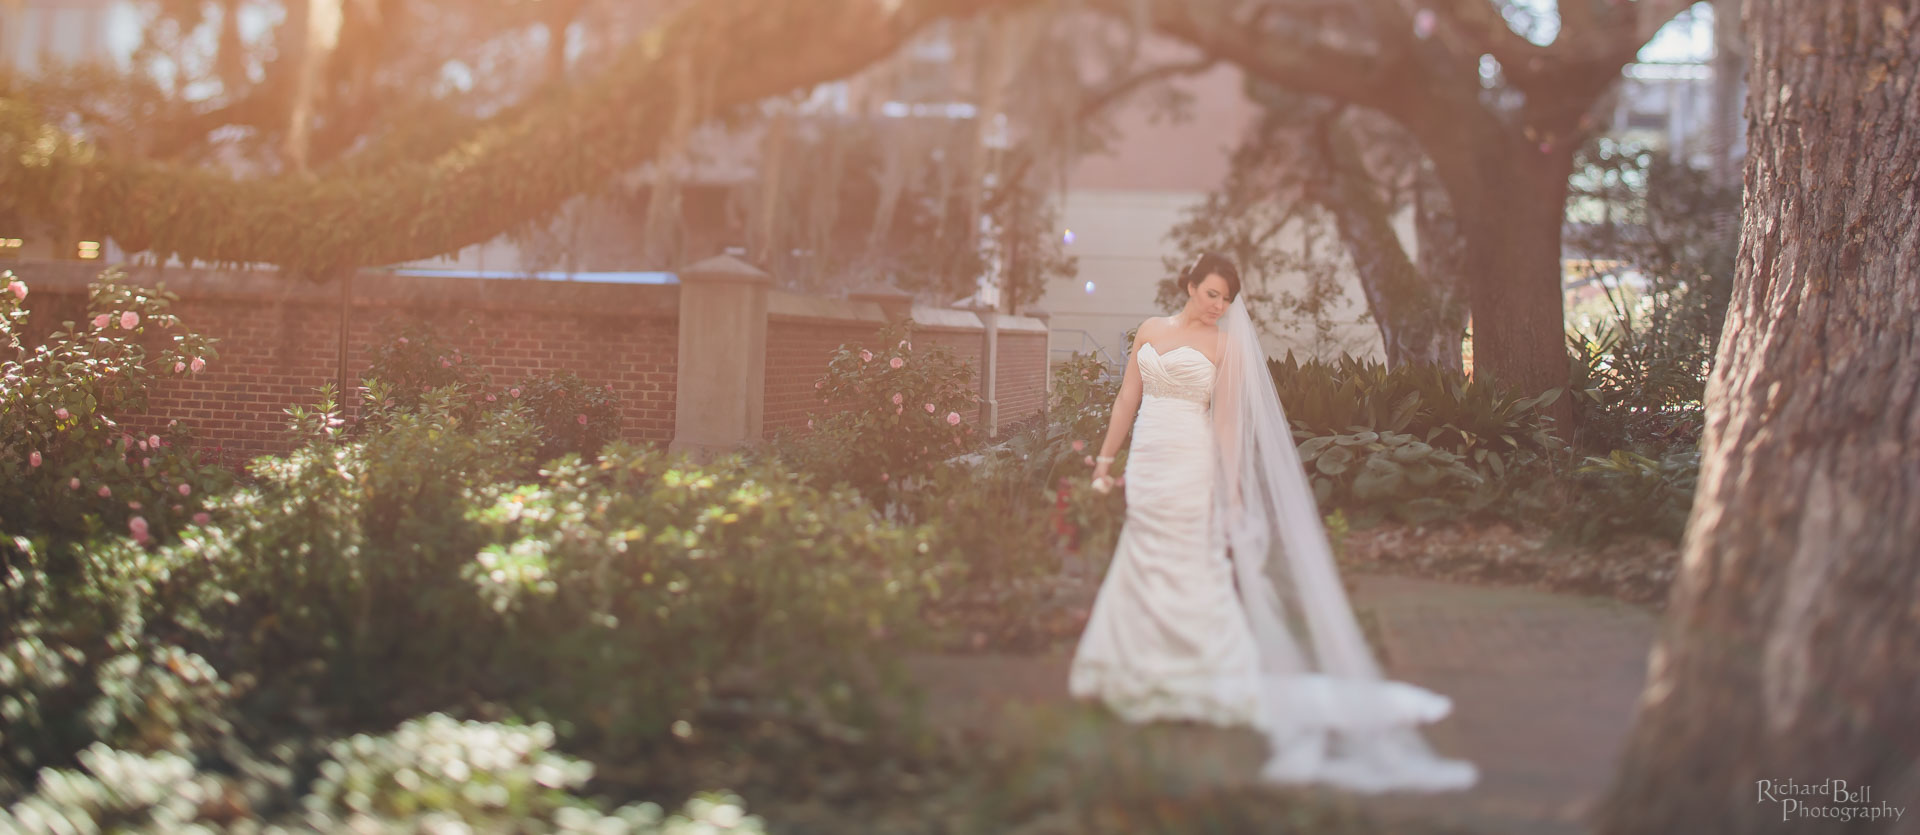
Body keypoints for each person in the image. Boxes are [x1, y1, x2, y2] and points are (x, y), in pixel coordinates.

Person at [1070, 252, 1477, 793]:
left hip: (1191, 464)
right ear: (1190, 286)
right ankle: (1138, 667)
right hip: (1146, 460)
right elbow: (1128, 396)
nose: (1218, 306)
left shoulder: (1227, 347)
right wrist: (1104, 460)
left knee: (1190, 559)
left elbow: (1226, 425)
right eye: (1211, 293)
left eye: (1226, 299)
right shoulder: (1150, 328)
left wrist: (1232, 489)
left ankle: (1202, 671)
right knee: (1142, 552)